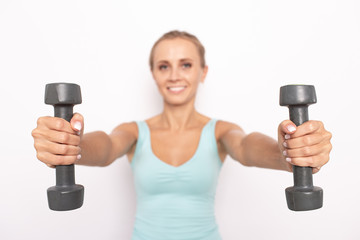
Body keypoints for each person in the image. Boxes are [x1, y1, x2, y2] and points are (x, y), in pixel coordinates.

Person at [32, 30, 332, 240]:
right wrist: (70, 144)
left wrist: (290, 153)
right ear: (154, 74)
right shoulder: (134, 132)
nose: (174, 75)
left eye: (186, 65)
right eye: (164, 66)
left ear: (203, 72)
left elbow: (248, 147)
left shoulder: (221, 132)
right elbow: (106, 147)